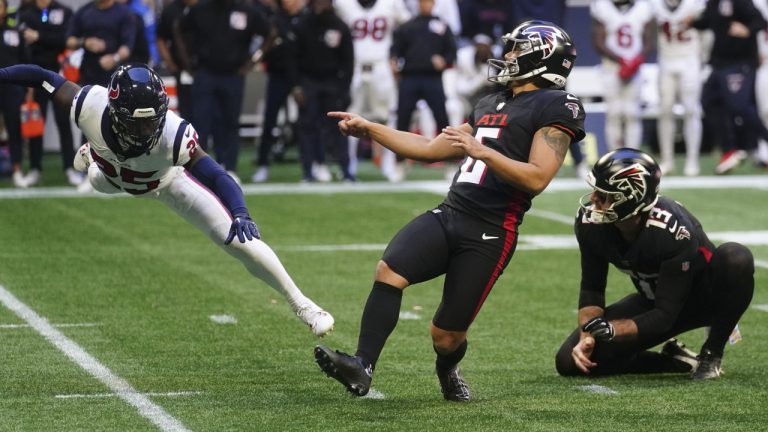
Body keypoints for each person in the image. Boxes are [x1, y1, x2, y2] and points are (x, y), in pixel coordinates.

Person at [314, 20, 585, 401]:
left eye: (515, 50)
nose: (507, 56)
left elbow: (538, 177)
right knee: (389, 270)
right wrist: (372, 129)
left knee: (446, 337)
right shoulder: (491, 102)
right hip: (451, 212)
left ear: (541, 58)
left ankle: (448, 369)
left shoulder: (558, 105)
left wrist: (482, 151)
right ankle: (362, 365)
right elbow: (428, 148)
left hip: (491, 231)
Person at [0, 62, 335, 337]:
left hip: (166, 182)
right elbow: (42, 77)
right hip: (113, 179)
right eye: (139, 123)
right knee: (99, 179)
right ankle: (94, 158)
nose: (148, 130)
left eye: (152, 122)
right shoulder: (90, 105)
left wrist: (241, 211)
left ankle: (304, 305)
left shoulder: (174, 136)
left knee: (237, 242)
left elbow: (217, 175)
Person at [555, 148, 754, 380]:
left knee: (736, 257)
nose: (594, 200)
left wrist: (613, 330)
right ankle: (676, 361)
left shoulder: (671, 231)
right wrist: (586, 335)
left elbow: (665, 317)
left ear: (630, 199)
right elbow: (592, 289)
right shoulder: (591, 224)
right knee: (570, 362)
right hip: (654, 300)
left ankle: (711, 354)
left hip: (701, 301)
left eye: (605, 194)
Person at [177, 0, 273, 181]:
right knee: (201, 122)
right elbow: (179, 29)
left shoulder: (247, 11)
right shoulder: (199, 9)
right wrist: (186, 61)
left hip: (233, 74)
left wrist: (252, 62)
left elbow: (270, 33)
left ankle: (229, 167)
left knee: (230, 122)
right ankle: (197, 168)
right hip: (205, 72)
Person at [333, 0, 411, 182]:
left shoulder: (391, 4)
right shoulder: (344, 4)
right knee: (349, 116)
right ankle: (348, 165)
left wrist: (397, 54)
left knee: (387, 116)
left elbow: (407, 27)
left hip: (381, 65)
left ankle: (388, 164)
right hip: (355, 66)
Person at [688, 0, 768, 174]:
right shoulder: (713, 3)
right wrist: (693, 23)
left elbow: (760, 20)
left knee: (740, 106)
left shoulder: (739, 1)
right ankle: (729, 150)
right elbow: (708, 22)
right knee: (709, 101)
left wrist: (747, 30)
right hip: (719, 63)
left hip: (739, 62)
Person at [18, 0, 83, 187]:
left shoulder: (64, 11)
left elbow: (66, 40)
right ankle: (35, 168)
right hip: (35, 77)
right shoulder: (26, 13)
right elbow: (25, 46)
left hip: (59, 77)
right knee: (37, 123)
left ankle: (70, 168)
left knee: (64, 121)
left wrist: (39, 37)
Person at [293, 0, 354, 182]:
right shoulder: (303, 25)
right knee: (308, 126)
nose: (321, 5)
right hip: (309, 81)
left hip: (332, 82)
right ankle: (308, 171)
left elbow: (348, 60)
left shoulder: (340, 26)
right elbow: (293, 58)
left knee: (340, 127)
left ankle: (346, 169)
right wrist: (297, 86)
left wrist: (344, 88)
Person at [390, 0, 456, 169]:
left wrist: (444, 60)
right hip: (410, 77)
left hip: (433, 78)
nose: (425, 5)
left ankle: (450, 159)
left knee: (442, 119)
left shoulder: (442, 26)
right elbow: (395, 49)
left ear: (433, 4)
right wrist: (394, 62)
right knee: (403, 118)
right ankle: (400, 161)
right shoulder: (407, 26)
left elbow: (451, 51)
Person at [251, 0, 306, 183]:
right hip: (278, 75)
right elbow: (265, 47)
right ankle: (263, 164)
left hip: (301, 76)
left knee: (308, 123)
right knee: (269, 122)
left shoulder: (305, 20)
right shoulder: (274, 20)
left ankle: (311, 165)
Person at [649, 0, 705, 176]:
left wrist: (702, 59)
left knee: (691, 110)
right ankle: (667, 160)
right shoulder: (655, 5)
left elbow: (706, 30)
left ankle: (692, 160)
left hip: (689, 60)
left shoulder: (695, 4)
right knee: (665, 110)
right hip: (666, 61)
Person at [591, 0, 654, 151]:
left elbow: (649, 40)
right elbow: (598, 41)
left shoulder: (643, 7)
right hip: (611, 67)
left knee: (632, 113)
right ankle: (615, 156)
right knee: (614, 113)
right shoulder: (602, 7)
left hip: (635, 67)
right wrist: (620, 60)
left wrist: (636, 60)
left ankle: (633, 155)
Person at [65, 0, 136, 87]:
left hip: (114, 75)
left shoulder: (124, 13)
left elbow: (127, 47)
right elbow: (69, 41)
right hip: (88, 74)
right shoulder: (84, 11)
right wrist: (84, 42)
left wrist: (115, 58)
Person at [0, 0, 26, 188]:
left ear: (5, 9)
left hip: (11, 87)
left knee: (14, 129)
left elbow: (25, 59)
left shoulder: (15, 30)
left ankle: (17, 170)